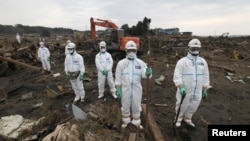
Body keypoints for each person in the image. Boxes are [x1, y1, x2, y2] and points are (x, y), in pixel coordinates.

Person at [115, 40, 153, 129]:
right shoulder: (121, 64)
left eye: (133, 50)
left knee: (136, 104)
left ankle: (136, 121)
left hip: (136, 88)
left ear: (136, 51)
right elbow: (118, 77)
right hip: (125, 88)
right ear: (126, 51)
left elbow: (145, 75)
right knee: (125, 105)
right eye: (129, 50)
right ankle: (126, 121)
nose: (131, 52)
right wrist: (118, 88)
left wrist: (148, 73)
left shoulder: (140, 63)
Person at [173, 38, 210, 127]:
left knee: (194, 104)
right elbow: (177, 75)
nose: (195, 50)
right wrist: (180, 86)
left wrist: (205, 88)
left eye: (197, 48)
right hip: (185, 89)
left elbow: (206, 75)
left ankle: (188, 118)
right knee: (182, 104)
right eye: (193, 48)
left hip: (197, 90)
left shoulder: (202, 62)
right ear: (189, 48)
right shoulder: (182, 62)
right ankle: (178, 118)